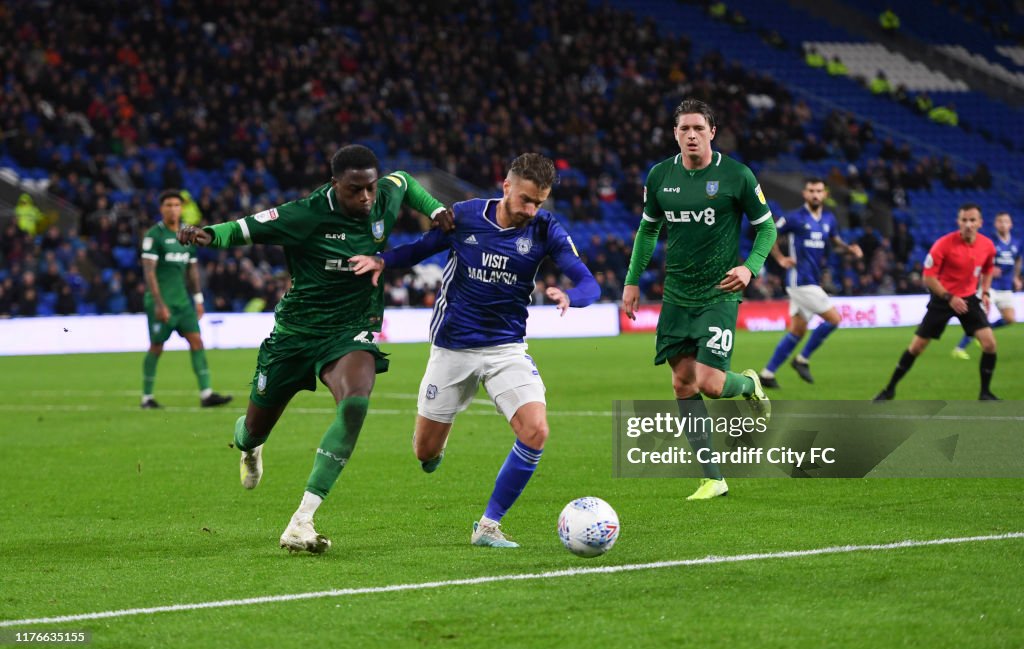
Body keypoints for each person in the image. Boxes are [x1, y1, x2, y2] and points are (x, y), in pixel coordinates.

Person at [177, 145, 454, 554]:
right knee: (254, 428)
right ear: (334, 185)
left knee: (356, 402)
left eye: (370, 188)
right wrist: (207, 236)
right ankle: (249, 445)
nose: (365, 197)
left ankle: (302, 519)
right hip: (295, 335)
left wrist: (433, 209)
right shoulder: (303, 214)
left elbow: (407, 182)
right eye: (355, 190)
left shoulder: (384, 195)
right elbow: (245, 228)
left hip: (350, 329)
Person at [350, 153, 600, 548]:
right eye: (525, 200)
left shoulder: (544, 228)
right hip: (452, 348)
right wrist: (382, 260)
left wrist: (572, 295)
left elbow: (590, 283)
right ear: (506, 187)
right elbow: (420, 248)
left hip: (506, 349)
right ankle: (435, 447)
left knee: (536, 431)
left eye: (539, 202)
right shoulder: (465, 216)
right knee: (424, 451)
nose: (531, 210)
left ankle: (488, 525)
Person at [621, 99, 776, 502]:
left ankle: (748, 384)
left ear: (712, 132)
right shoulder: (659, 177)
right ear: (675, 134)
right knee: (681, 384)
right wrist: (632, 280)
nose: (691, 135)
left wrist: (750, 267)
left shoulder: (737, 176)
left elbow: (767, 230)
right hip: (676, 294)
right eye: (683, 129)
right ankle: (713, 477)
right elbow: (647, 231)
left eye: (698, 128)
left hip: (719, 292)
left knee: (709, 383)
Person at [875, 203, 998, 401]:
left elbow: (988, 268)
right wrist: (949, 297)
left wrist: (985, 292)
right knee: (917, 347)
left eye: (972, 220)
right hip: (943, 298)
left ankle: (985, 393)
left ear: (980, 223)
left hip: (968, 299)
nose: (968, 224)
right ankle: (889, 389)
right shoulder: (943, 244)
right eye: (964, 220)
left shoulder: (987, 246)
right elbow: (928, 278)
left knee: (990, 344)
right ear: (958, 222)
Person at [759, 178, 863, 388]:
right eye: (811, 191)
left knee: (797, 331)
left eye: (819, 191)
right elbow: (769, 233)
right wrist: (779, 258)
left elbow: (835, 243)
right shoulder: (795, 217)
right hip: (801, 281)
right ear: (805, 194)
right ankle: (802, 359)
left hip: (811, 281)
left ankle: (767, 374)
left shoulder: (829, 219)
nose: (815, 195)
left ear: (825, 194)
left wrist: (849, 249)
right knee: (834, 319)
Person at [140, 190, 232, 410]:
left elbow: (192, 272)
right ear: (161, 208)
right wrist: (159, 304)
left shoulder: (186, 235)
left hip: (183, 302)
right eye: (168, 205)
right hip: (161, 302)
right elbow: (149, 272)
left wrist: (199, 300)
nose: (173, 209)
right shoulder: (154, 236)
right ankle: (147, 398)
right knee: (156, 347)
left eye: (176, 205)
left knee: (197, 341)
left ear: (182, 208)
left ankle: (206, 394)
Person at [953, 212, 1020, 358]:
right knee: (980, 319)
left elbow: (1018, 260)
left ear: (1011, 224)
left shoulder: (1016, 242)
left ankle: (983, 332)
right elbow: (976, 259)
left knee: (1010, 319)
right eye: (1000, 221)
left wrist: (1016, 277)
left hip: (1006, 287)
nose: (1003, 224)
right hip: (989, 286)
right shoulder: (989, 241)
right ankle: (959, 348)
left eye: (1006, 221)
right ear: (995, 224)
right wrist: (987, 269)